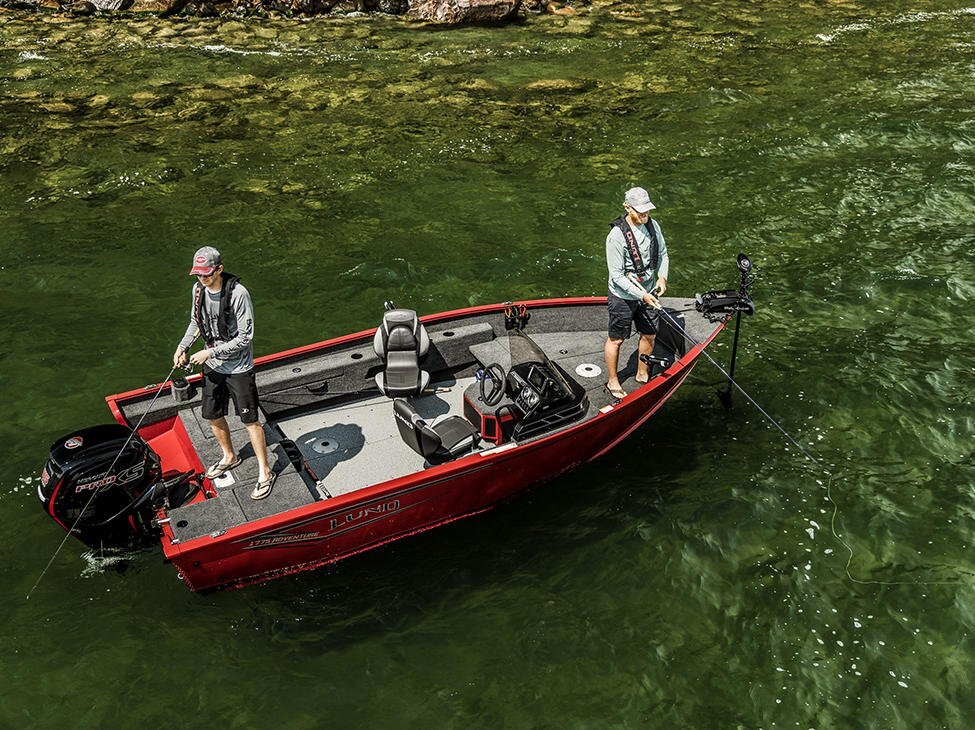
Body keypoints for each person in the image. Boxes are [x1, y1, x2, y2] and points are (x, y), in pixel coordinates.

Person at [172, 247, 275, 500]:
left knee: (250, 421)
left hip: (239, 368)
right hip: (213, 365)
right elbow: (195, 322)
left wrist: (209, 353)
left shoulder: (239, 294)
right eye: (198, 274)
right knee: (212, 414)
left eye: (207, 274)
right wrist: (183, 347)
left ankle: (265, 471)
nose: (202, 279)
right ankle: (230, 456)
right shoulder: (198, 290)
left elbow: (245, 338)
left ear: (219, 269)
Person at [603, 186, 670, 400]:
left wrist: (662, 277)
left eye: (647, 210)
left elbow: (663, 254)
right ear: (627, 208)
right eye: (640, 211)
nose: (644, 214)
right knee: (617, 339)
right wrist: (642, 296)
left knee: (649, 334)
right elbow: (617, 276)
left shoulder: (653, 225)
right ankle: (613, 380)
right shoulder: (616, 236)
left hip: (649, 291)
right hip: (623, 296)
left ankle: (642, 372)